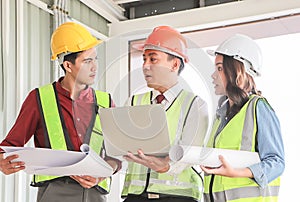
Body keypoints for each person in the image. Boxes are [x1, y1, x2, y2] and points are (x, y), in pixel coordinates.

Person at [0, 22, 121, 202]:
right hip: (55, 193)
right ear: (68, 65)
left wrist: (102, 174)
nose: (95, 67)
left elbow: (117, 154)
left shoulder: (106, 102)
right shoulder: (39, 98)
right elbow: (8, 146)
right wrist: (3, 161)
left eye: (95, 59)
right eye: (87, 61)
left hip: (95, 194)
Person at [121, 26, 209, 202]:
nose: (145, 66)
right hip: (136, 197)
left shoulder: (194, 105)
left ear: (174, 64)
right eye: (144, 59)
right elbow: (119, 147)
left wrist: (164, 166)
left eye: (153, 59)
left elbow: (189, 154)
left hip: (178, 197)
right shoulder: (133, 102)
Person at [201, 34, 285, 202]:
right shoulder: (221, 115)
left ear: (236, 70)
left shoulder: (259, 108)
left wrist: (237, 172)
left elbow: (276, 163)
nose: (213, 75)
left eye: (219, 68)